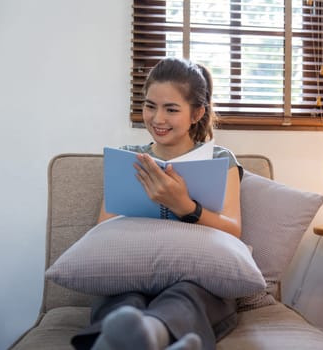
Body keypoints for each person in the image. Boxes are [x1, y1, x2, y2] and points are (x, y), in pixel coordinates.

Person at [71, 58, 243, 350]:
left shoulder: (220, 160)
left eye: (171, 109)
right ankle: (128, 336)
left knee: (185, 295)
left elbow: (233, 230)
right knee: (124, 300)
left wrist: (185, 205)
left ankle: (154, 334)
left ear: (197, 113)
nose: (157, 119)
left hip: (196, 277)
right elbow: (104, 226)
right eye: (150, 106)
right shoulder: (127, 158)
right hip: (132, 271)